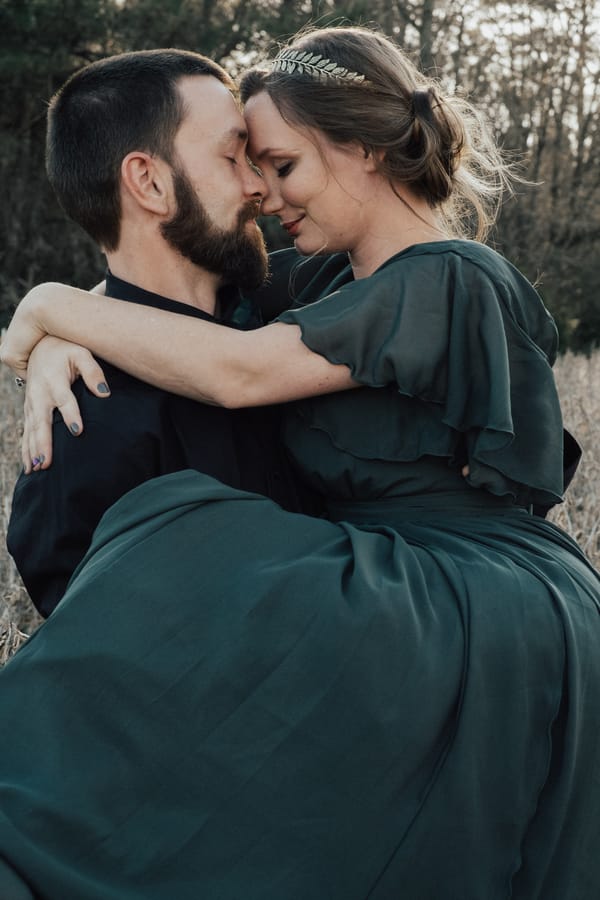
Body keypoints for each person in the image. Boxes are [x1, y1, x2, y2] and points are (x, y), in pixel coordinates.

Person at [1, 24, 600, 900]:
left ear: (359, 149)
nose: (266, 193)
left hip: (474, 593)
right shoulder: (324, 280)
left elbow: (236, 373)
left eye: (282, 165)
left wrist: (46, 305)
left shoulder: (447, 278)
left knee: (181, 532)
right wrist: (54, 332)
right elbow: (160, 286)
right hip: (398, 586)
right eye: (252, 164)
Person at [6, 48, 319, 618]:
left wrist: (54, 310)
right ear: (148, 182)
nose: (260, 189)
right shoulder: (83, 426)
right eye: (233, 158)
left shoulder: (302, 301)